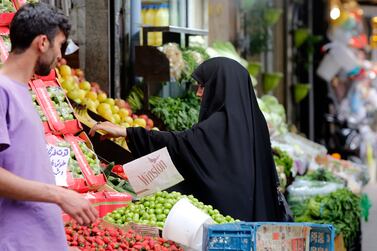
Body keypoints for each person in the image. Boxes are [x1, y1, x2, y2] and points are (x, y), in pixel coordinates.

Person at [90, 57, 283, 221]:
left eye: (203, 86)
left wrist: (129, 133)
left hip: (226, 222)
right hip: (255, 216)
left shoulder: (220, 123)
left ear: (219, 85)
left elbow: (182, 144)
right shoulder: (254, 119)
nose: (198, 93)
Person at [0, 3, 97, 250]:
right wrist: (59, 195)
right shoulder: (2, 91)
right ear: (43, 42)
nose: (61, 56)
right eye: (59, 45)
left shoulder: (22, 91)